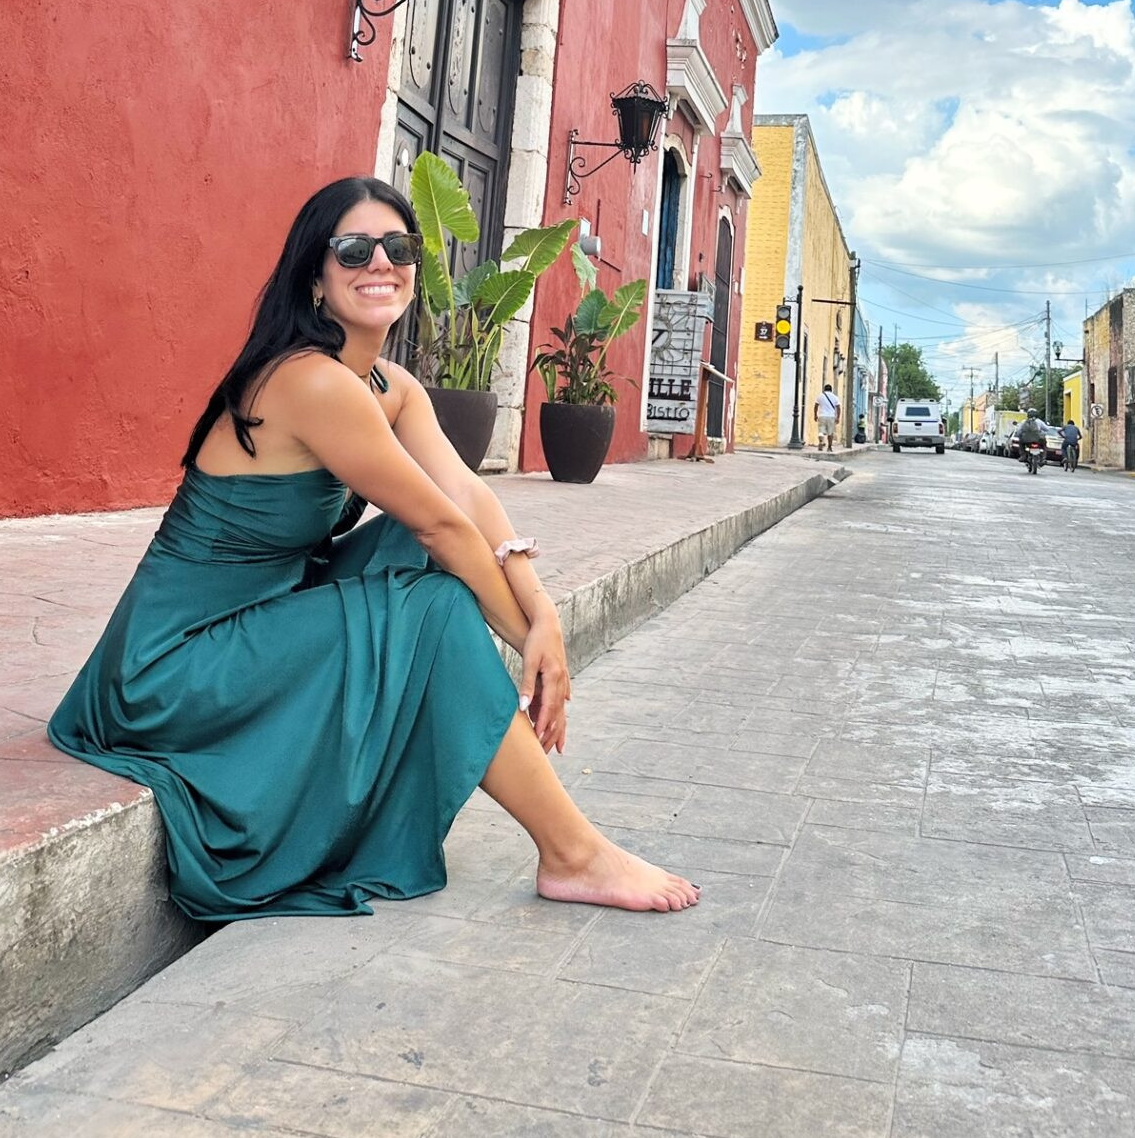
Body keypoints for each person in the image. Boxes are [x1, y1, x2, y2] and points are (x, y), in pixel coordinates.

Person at [48, 176, 699, 920]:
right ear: (316, 279)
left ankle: (568, 848)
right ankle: (573, 851)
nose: (379, 263)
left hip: (263, 613)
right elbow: (442, 527)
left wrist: (545, 618)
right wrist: (533, 646)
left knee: (420, 562)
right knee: (429, 600)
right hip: (169, 667)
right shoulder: (310, 383)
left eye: (397, 247)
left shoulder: (390, 386)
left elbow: (470, 499)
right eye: (353, 250)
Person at [815, 382, 841, 451]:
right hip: (831, 417)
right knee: (830, 433)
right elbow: (838, 408)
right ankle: (829, 447)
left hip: (822, 416)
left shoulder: (820, 396)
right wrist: (838, 417)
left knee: (821, 431)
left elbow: (816, 406)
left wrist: (815, 415)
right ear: (831, 390)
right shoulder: (835, 397)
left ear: (824, 389)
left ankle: (821, 441)